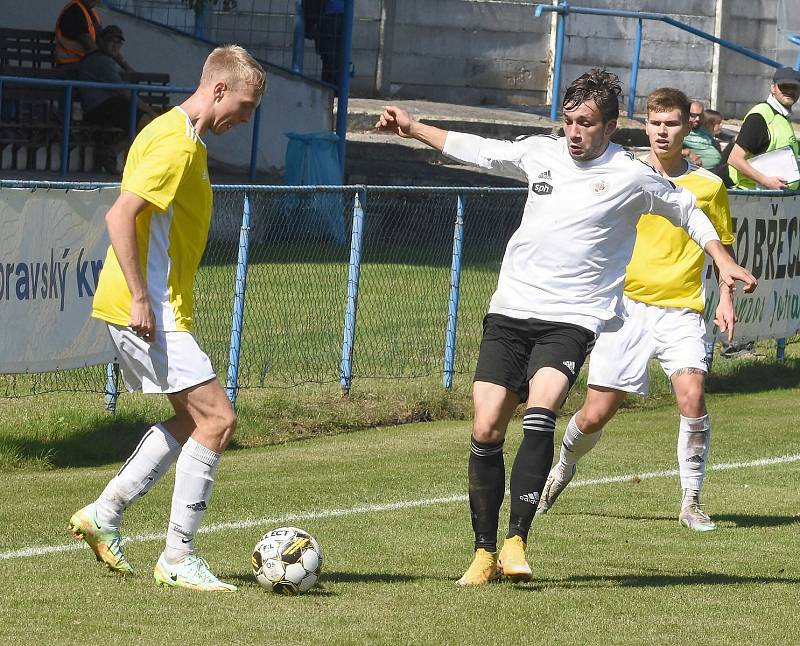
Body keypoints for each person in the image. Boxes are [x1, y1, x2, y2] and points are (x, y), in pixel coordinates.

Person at [375, 69, 756, 586]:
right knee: (486, 427)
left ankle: (517, 540)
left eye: (586, 124)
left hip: (572, 318)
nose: (574, 133)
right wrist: (414, 126)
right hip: (511, 309)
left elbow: (688, 209)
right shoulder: (543, 153)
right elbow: (483, 150)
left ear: (611, 124)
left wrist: (723, 263)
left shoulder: (631, 174)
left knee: (541, 408)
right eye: (569, 122)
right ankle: (483, 552)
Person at [67, 45, 266, 592]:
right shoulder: (176, 144)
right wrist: (139, 298)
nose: (245, 120)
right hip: (146, 309)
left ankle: (104, 514)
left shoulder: (182, 138)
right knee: (219, 420)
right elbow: (120, 214)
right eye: (245, 107)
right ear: (219, 89)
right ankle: (178, 555)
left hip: (154, 306)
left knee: (192, 421)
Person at [536, 88, 737, 533]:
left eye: (672, 124)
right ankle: (563, 466)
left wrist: (725, 297)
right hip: (626, 309)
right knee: (595, 414)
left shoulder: (708, 186)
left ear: (689, 127)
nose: (663, 132)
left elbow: (720, 245)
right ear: (644, 126)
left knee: (693, 395)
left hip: (682, 309)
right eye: (655, 123)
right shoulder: (625, 174)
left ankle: (691, 500)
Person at [77, 25, 157, 174]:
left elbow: (133, 75)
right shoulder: (101, 61)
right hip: (99, 109)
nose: (115, 46)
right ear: (100, 41)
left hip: (106, 106)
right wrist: (151, 111)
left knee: (144, 120)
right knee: (146, 121)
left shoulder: (107, 60)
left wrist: (121, 60)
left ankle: (111, 152)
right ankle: (110, 152)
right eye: (111, 42)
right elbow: (124, 93)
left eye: (118, 43)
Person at [724, 67, 800, 190]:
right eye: (784, 86)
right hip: (752, 198)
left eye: (794, 87)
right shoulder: (760, 116)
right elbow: (735, 159)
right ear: (773, 88)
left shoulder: (782, 117)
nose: (789, 91)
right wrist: (766, 182)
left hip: (774, 199)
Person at [55, 0, 135, 72]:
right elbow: (93, 48)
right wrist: (107, 64)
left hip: (83, 64)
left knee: (112, 70)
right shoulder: (74, 11)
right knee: (109, 71)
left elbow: (104, 43)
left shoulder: (90, 11)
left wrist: (127, 68)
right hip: (70, 67)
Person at [682, 101, 722, 169]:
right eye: (693, 115)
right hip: (700, 170)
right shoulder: (681, 131)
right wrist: (688, 152)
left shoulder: (702, 129)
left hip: (718, 166)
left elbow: (714, 143)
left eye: (700, 115)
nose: (698, 119)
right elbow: (667, 151)